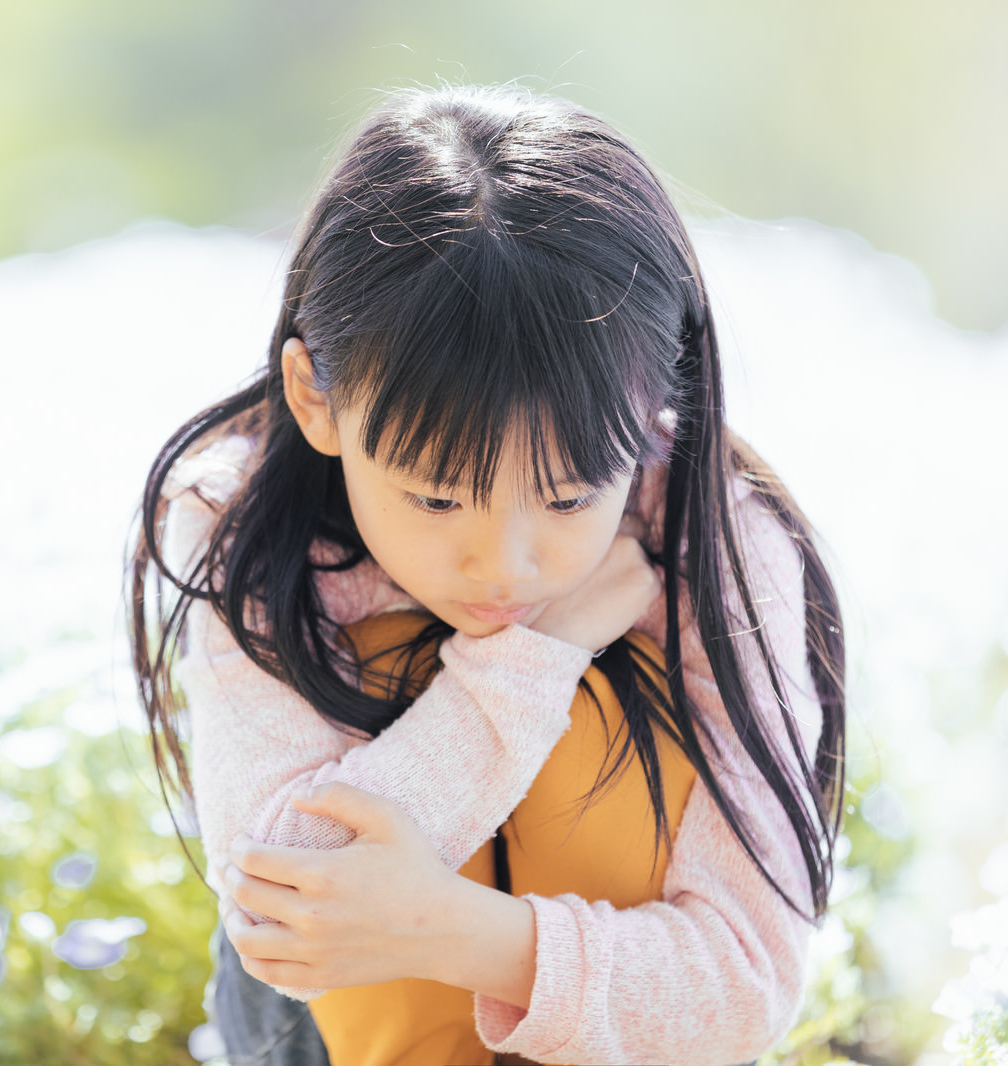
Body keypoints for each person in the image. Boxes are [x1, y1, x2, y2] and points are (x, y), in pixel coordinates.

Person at [128, 84, 846, 1066]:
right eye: (434, 497)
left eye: (565, 496)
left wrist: (455, 929)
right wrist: (535, 653)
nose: (503, 563)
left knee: (615, 708)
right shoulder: (242, 522)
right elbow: (288, 912)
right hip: (333, 1043)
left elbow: (742, 985)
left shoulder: (716, 547)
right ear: (315, 397)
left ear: (648, 416)